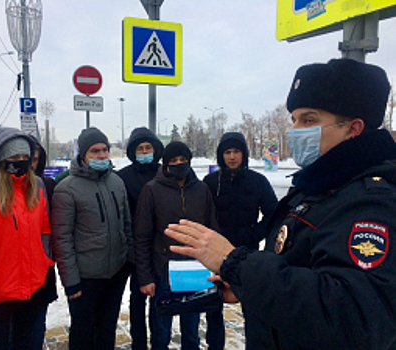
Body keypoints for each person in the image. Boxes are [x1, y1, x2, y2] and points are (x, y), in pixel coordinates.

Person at [165, 58, 396, 349]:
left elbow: (354, 320)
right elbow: (296, 269)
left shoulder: (369, 204)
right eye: (294, 120)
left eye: (309, 120)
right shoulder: (317, 187)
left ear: (354, 128)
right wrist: (246, 283)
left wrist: (238, 264)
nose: (295, 130)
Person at [0, 127, 53, 350]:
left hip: (32, 286)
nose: (21, 162)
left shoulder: (37, 186)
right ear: (0, 158)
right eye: (14, 157)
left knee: (27, 343)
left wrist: (43, 260)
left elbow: (44, 229)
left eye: (25, 157)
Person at [52, 127, 132, 350]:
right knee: (83, 332)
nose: (102, 155)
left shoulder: (116, 182)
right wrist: (71, 281)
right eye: (95, 151)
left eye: (105, 150)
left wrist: (128, 259)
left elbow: (126, 225)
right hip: (85, 278)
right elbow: (62, 239)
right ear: (83, 155)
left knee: (107, 328)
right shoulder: (66, 189)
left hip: (115, 273)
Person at [134, 141, 219, 350]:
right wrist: (145, 277)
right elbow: (142, 236)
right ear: (165, 164)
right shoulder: (151, 190)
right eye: (173, 161)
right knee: (161, 333)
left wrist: (214, 267)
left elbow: (211, 230)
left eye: (183, 160)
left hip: (195, 270)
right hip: (163, 270)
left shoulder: (201, 189)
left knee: (191, 332)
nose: (179, 164)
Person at [203, 131, 278, 349]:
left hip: (248, 254)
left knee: (252, 308)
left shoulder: (258, 182)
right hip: (216, 255)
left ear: (243, 154)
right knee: (213, 307)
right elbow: (202, 213)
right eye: (227, 152)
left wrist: (255, 234)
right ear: (221, 156)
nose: (232, 156)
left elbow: (273, 213)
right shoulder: (210, 182)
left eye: (236, 151)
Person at [117, 127, 164, 350]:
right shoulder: (123, 177)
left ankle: (158, 342)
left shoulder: (165, 173)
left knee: (158, 301)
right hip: (135, 250)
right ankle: (138, 343)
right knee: (137, 299)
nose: (145, 151)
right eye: (140, 148)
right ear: (132, 152)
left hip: (161, 249)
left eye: (148, 147)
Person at [29, 137, 58, 349]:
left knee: (37, 325)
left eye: (37, 158)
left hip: (41, 267)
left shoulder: (47, 185)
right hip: (8, 273)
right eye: (31, 157)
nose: (33, 162)